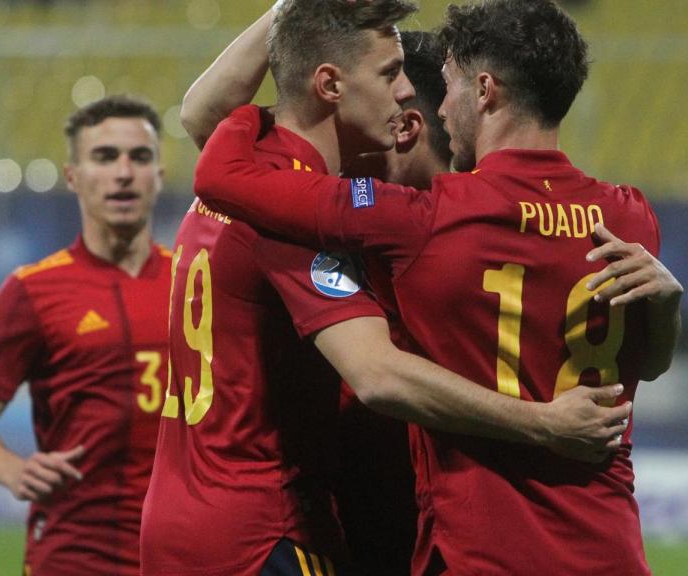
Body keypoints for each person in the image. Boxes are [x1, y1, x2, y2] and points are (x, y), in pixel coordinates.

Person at [141, 2, 632, 575]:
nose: (405, 93)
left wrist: (292, 12)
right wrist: (544, 422)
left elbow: (204, 116)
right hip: (264, 533)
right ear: (330, 84)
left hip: (181, 516)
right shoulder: (295, 219)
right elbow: (377, 375)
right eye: (388, 73)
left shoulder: (255, 175)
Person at [0, 96, 171, 575]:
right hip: (74, 555)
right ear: (73, 177)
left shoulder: (197, 283)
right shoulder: (32, 290)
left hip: (182, 555)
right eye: (105, 157)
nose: (124, 172)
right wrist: (14, 470)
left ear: (160, 175)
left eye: (140, 157)